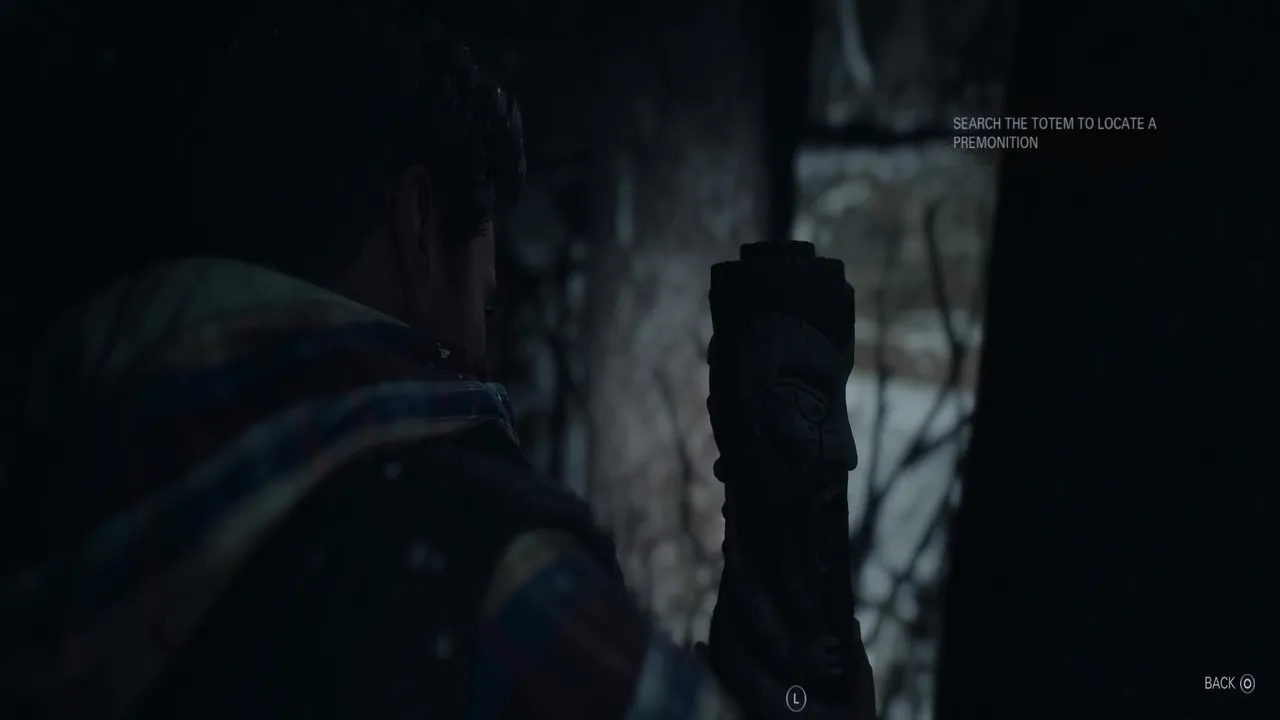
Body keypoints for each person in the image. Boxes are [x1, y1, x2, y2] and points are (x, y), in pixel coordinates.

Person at [0, 1, 876, 718]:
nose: (483, 346)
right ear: (419, 226)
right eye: (485, 303)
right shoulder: (473, 577)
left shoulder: (50, 493)